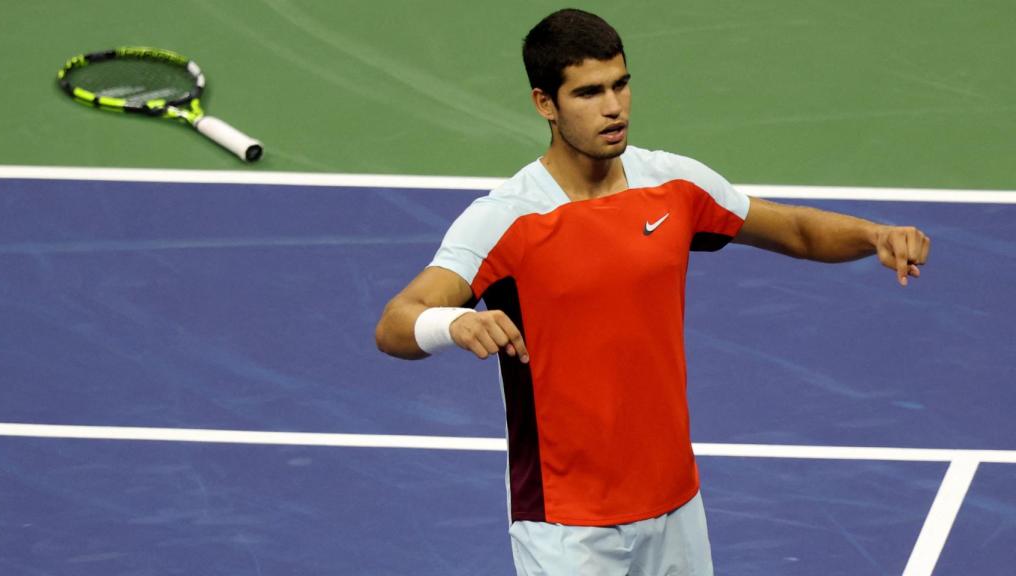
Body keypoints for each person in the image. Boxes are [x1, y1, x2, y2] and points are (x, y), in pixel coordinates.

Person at [375, 8, 930, 575]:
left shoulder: (674, 186)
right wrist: (455, 323)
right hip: (566, 526)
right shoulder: (506, 219)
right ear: (546, 104)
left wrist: (875, 235)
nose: (613, 107)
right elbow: (397, 322)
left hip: (675, 506)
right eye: (588, 92)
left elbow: (792, 229)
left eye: (620, 84)